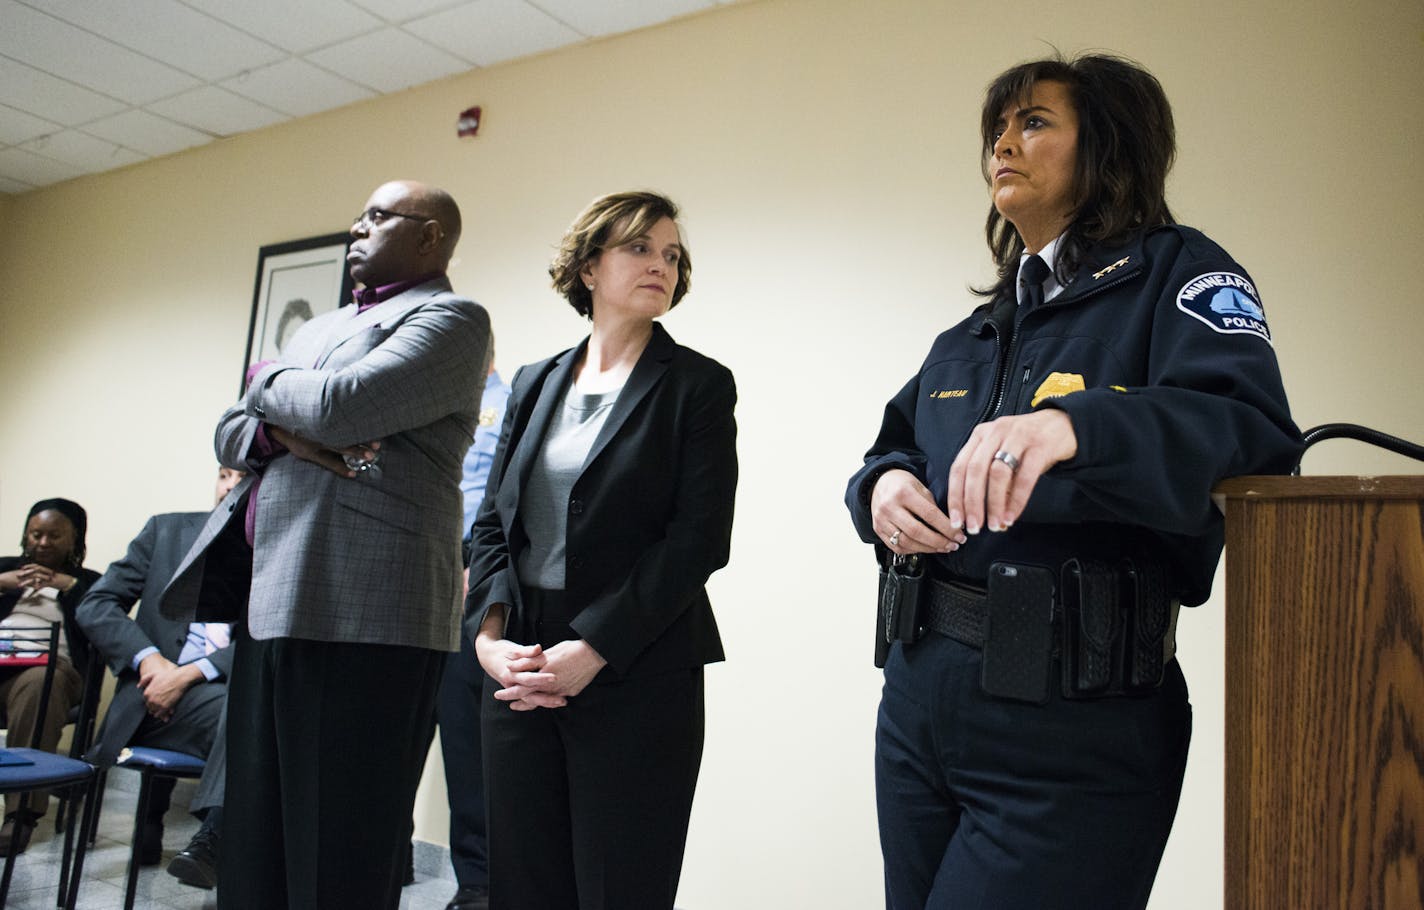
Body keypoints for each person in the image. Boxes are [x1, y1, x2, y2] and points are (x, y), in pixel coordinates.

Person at [844, 54, 1303, 910]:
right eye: (997, 130)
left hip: (1073, 717)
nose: (1003, 147)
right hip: (919, 701)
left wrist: (1076, 426)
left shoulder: (1177, 275)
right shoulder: (975, 332)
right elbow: (893, 448)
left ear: (1107, 148)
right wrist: (879, 490)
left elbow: (1250, 437)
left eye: (1034, 123)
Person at [161, 180, 491, 909]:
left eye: (377, 216)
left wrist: (263, 382)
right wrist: (278, 423)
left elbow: (344, 408)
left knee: (341, 846)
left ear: (430, 236)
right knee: (253, 841)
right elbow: (229, 430)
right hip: (275, 596)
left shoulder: (452, 320)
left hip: (373, 613)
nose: (355, 228)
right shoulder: (322, 330)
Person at [467, 190, 737, 909]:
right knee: (522, 887)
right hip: (520, 665)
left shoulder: (698, 387)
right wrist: (488, 637)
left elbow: (699, 540)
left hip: (638, 668)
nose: (661, 265)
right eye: (640, 247)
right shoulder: (534, 381)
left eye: (672, 255)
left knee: (621, 889)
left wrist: (593, 649)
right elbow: (495, 522)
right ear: (589, 267)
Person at [76, 465, 246, 888]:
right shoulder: (166, 532)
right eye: (225, 475)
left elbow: (266, 640)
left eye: (244, 478)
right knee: (246, 715)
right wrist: (150, 661)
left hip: (220, 695)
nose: (230, 487)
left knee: (251, 709)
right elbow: (96, 604)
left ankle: (217, 837)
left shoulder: (275, 553)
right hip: (149, 699)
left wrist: (189, 674)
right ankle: (221, 838)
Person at [435, 353, 510, 910]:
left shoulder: (508, 404)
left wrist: (477, 568)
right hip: (411, 569)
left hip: (469, 569)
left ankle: (479, 886)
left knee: (467, 740)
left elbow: (505, 500)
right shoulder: (428, 408)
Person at [0, 498, 100, 854]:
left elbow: (103, 621)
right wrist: (3, 582)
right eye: (35, 534)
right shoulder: (6, 570)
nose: (42, 543)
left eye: (54, 536)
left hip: (49, 674)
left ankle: (20, 815)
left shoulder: (89, 583)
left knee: (41, 683)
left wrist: (66, 586)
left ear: (74, 540)